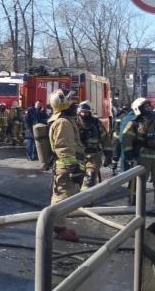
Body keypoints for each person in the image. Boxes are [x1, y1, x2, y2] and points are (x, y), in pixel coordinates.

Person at [47, 89, 84, 242]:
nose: (73, 103)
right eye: (70, 100)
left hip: (66, 165)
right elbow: (64, 147)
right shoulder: (63, 122)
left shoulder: (66, 120)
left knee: (67, 196)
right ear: (63, 104)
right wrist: (73, 168)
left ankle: (59, 226)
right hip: (66, 166)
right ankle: (58, 228)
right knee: (61, 197)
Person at [121, 97, 155, 216]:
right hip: (142, 156)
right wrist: (129, 154)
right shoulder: (134, 122)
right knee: (138, 182)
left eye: (149, 106)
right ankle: (135, 205)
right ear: (138, 109)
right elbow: (126, 139)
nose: (148, 108)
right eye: (145, 106)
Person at [77, 101, 112, 187]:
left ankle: (87, 195)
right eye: (82, 112)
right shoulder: (74, 123)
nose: (84, 114)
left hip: (93, 156)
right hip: (77, 156)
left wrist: (108, 155)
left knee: (90, 178)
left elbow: (105, 139)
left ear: (90, 112)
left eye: (86, 112)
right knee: (77, 180)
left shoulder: (96, 123)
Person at [111, 104, 134, 174]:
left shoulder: (119, 115)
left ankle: (114, 168)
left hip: (117, 137)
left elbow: (115, 126)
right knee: (120, 154)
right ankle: (117, 168)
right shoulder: (126, 116)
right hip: (119, 138)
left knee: (116, 155)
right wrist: (120, 135)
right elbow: (117, 126)